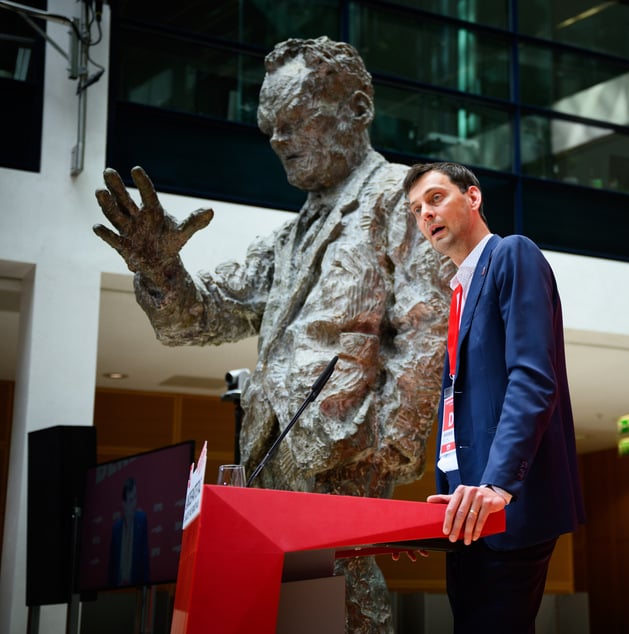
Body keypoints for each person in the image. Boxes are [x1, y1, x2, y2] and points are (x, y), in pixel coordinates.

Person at [93, 37, 451, 632]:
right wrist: (160, 269)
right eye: (270, 127)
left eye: (296, 121)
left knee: (345, 611)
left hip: (340, 466)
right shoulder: (290, 237)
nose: (279, 141)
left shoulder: (402, 198)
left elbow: (425, 332)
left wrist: (382, 459)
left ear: (358, 109)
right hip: (266, 472)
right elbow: (205, 315)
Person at [403, 162, 586, 632]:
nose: (425, 214)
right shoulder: (460, 291)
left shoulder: (512, 255)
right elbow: (457, 417)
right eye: (416, 209)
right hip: (465, 514)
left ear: (473, 198)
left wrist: (498, 485)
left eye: (436, 198)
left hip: (504, 504)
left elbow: (532, 378)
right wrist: (443, 511)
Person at [108, 478, 150, 587]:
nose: (134, 504)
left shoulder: (142, 520)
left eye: (135, 498)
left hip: (136, 587)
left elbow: (145, 561)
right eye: (131, 500)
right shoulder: (116, 528)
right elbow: (111, 566)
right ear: (124, 503)